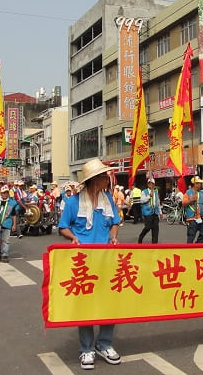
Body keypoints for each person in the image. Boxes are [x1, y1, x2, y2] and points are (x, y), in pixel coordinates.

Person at [57, 158, 122, 370]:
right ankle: (86, 349)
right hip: (83, 262)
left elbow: (114, 223)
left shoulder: (108, 200)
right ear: (94, 180)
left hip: (105, 260)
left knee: (108, 304)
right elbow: (63, 227)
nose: (107, 179)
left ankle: (105, 344)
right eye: (104, 176)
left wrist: (113, 237)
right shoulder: (74, 202)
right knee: (85, 306)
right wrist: (73, 238)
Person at [0, 185, 18, 262]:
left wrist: (14, 224)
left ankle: (5, 255)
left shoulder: (11, 203)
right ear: (1, 193)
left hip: (6, 224)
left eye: (7, 193)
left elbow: (13, 215)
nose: (5, 194)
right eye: (4, 193)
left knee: (6, 240)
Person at [183, 176, 203, 244]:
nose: (200, 185)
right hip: (191, 219)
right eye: (199, 183)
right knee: (191, 236)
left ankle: (197, 244)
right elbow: (183, 203)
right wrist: (190, 200)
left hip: (200, 218)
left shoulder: (201, 193)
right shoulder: (188, 192)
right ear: (195, 184)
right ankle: (189, 250)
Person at [138, 179, 161, 243]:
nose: (151, 184)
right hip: (148, 213)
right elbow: (142, 200)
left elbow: (158, 203)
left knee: (155, 229)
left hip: (155, 212)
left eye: (152, 183)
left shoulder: (156, 192)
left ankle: (154, 244)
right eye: (149, 183)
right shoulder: (144, 192)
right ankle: (141, 237)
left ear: (154, 184)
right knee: (148, 227)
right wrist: (149, 196)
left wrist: (160, 212)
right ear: (147, 184)